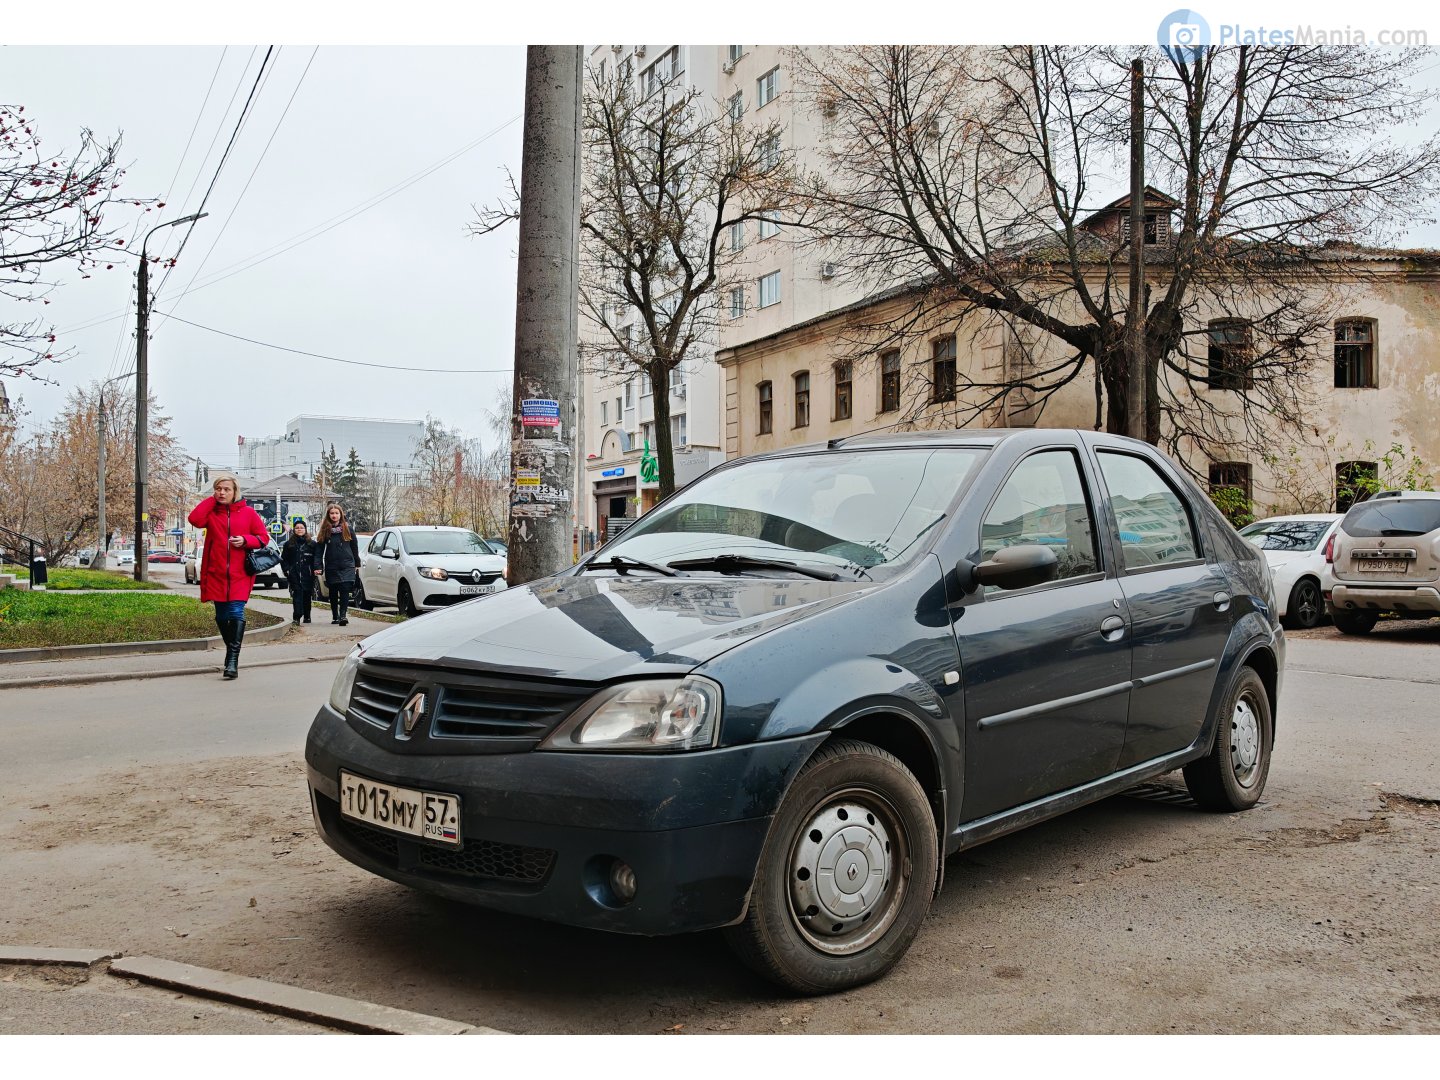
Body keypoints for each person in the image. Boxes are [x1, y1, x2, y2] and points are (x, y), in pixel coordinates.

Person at [187, 473, 270, 679]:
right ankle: (231, 650)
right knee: (222, 616)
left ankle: (232, 660)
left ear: (235, 492)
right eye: (219, 489)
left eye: (227, 489)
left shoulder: (249, 513)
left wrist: (245, 540)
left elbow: (263, 538)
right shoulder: (212, 513)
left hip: (240, 573)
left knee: (235, 611)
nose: (222, 492)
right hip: (216, 572)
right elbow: (194, 519)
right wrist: (211, 500)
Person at [315, 503, 361, 626]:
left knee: (345, 589)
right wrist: (318, 566)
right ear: (328, 515)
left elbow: (354, 547)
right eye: (332, 513)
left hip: (347, 564)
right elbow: (319, 550)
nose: (334, 515)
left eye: (336, 513)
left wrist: (357, 563)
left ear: (341, 515)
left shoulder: (348, 529)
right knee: (333, 591)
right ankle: (335, 615)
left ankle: (343, 616)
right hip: (332, 565)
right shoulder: (325, 530)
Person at [280, 519, 318, 627]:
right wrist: (287, 570)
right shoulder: (289, 544)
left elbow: (316, 558)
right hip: (294, 574)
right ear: (294, 530)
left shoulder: (312, 544)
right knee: (297, 594)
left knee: (307, 595)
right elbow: (283, 559)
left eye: (301, 528)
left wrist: (316, 568)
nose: (299, 529)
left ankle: (307, 616)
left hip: (308, 573)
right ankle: (296, 617)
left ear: (305, 529)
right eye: (297, 528)